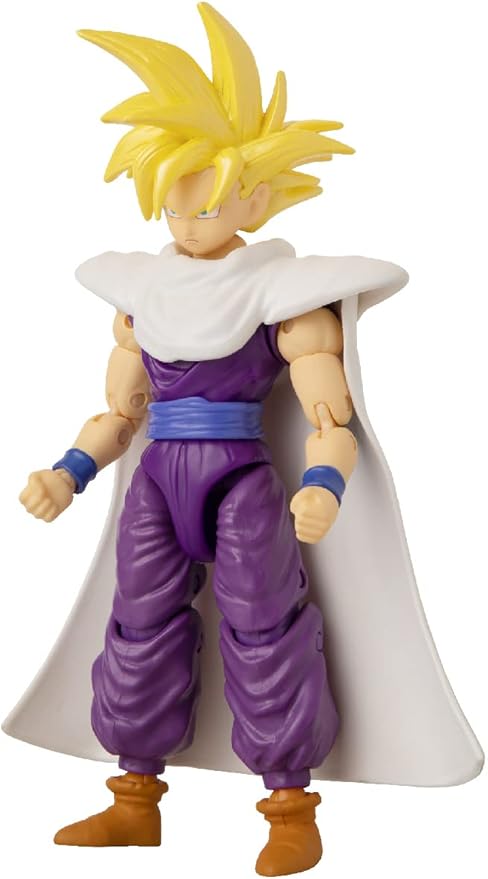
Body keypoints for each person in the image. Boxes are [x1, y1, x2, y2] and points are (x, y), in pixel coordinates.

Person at [5, 4, 482, 876]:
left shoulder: (281, 297)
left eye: (211, 201)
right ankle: (134, 799)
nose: (189, 222)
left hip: (241, 478)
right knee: (138, 625)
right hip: (158, 477)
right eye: (174, 202)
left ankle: (290, 806)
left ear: (257, 196)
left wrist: (324, 485)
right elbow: (119, 410)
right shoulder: (140, 297)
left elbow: (331, 420)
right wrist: (69, 471)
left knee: (265, 627)